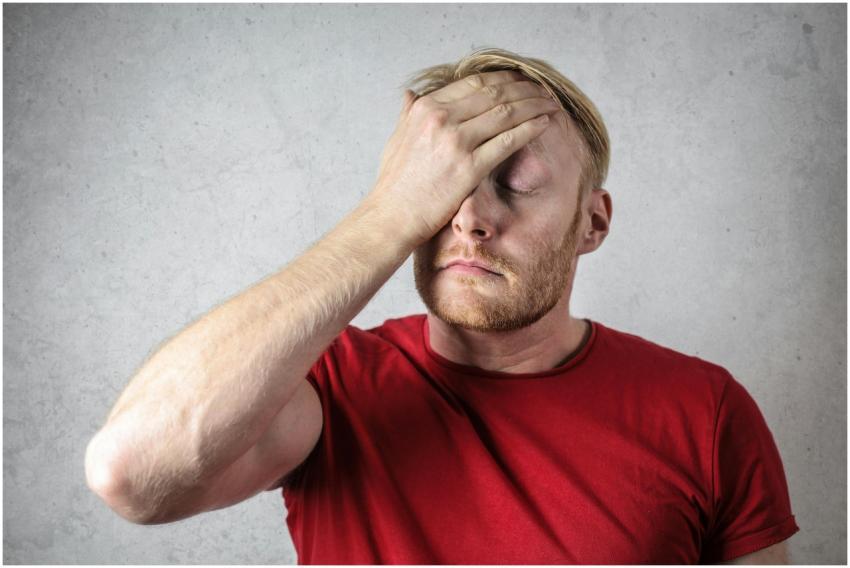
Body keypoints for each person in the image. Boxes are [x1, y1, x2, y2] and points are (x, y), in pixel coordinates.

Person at [85, 48, 799, 564]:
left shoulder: (705, 410)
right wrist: (388, 215)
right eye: (441, 187)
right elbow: (130, 474)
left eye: (517, 182)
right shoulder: (328, 387)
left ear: (594, 223)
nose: (469, 218)